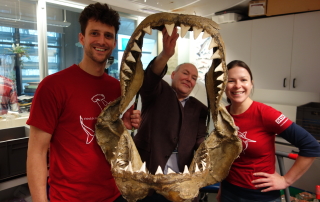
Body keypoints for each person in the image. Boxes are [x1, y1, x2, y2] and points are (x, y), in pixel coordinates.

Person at [26, 3, 141, 202]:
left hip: (114, 195)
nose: (101, 41)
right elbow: (37, 151)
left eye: (108, 35)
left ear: (114, 43)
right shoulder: (53, 86)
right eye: (94, 33)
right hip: (69, 197)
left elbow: (114, 143)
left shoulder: (118, 89)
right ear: (82, 38)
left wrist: (125, 126)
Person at [217, 60, 320, 202]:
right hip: (229, 191)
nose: (238, 85)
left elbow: (311, 146)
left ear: (251, 83)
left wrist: (286, 180)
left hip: (261, 195)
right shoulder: (223, 115)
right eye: (231, 81)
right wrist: (222, 189)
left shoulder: (266, 114)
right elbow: (226, 158)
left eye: (243, 80)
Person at [133, 27, 207, 202]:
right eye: (185, 73)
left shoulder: (199, 109)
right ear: (173, 74)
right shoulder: (157, 92)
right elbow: (151, 76)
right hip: (149, 177)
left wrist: (209, 149)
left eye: (194, 78)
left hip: (180, 182)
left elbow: (199, 139)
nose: (189, 79)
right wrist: (165, 55)